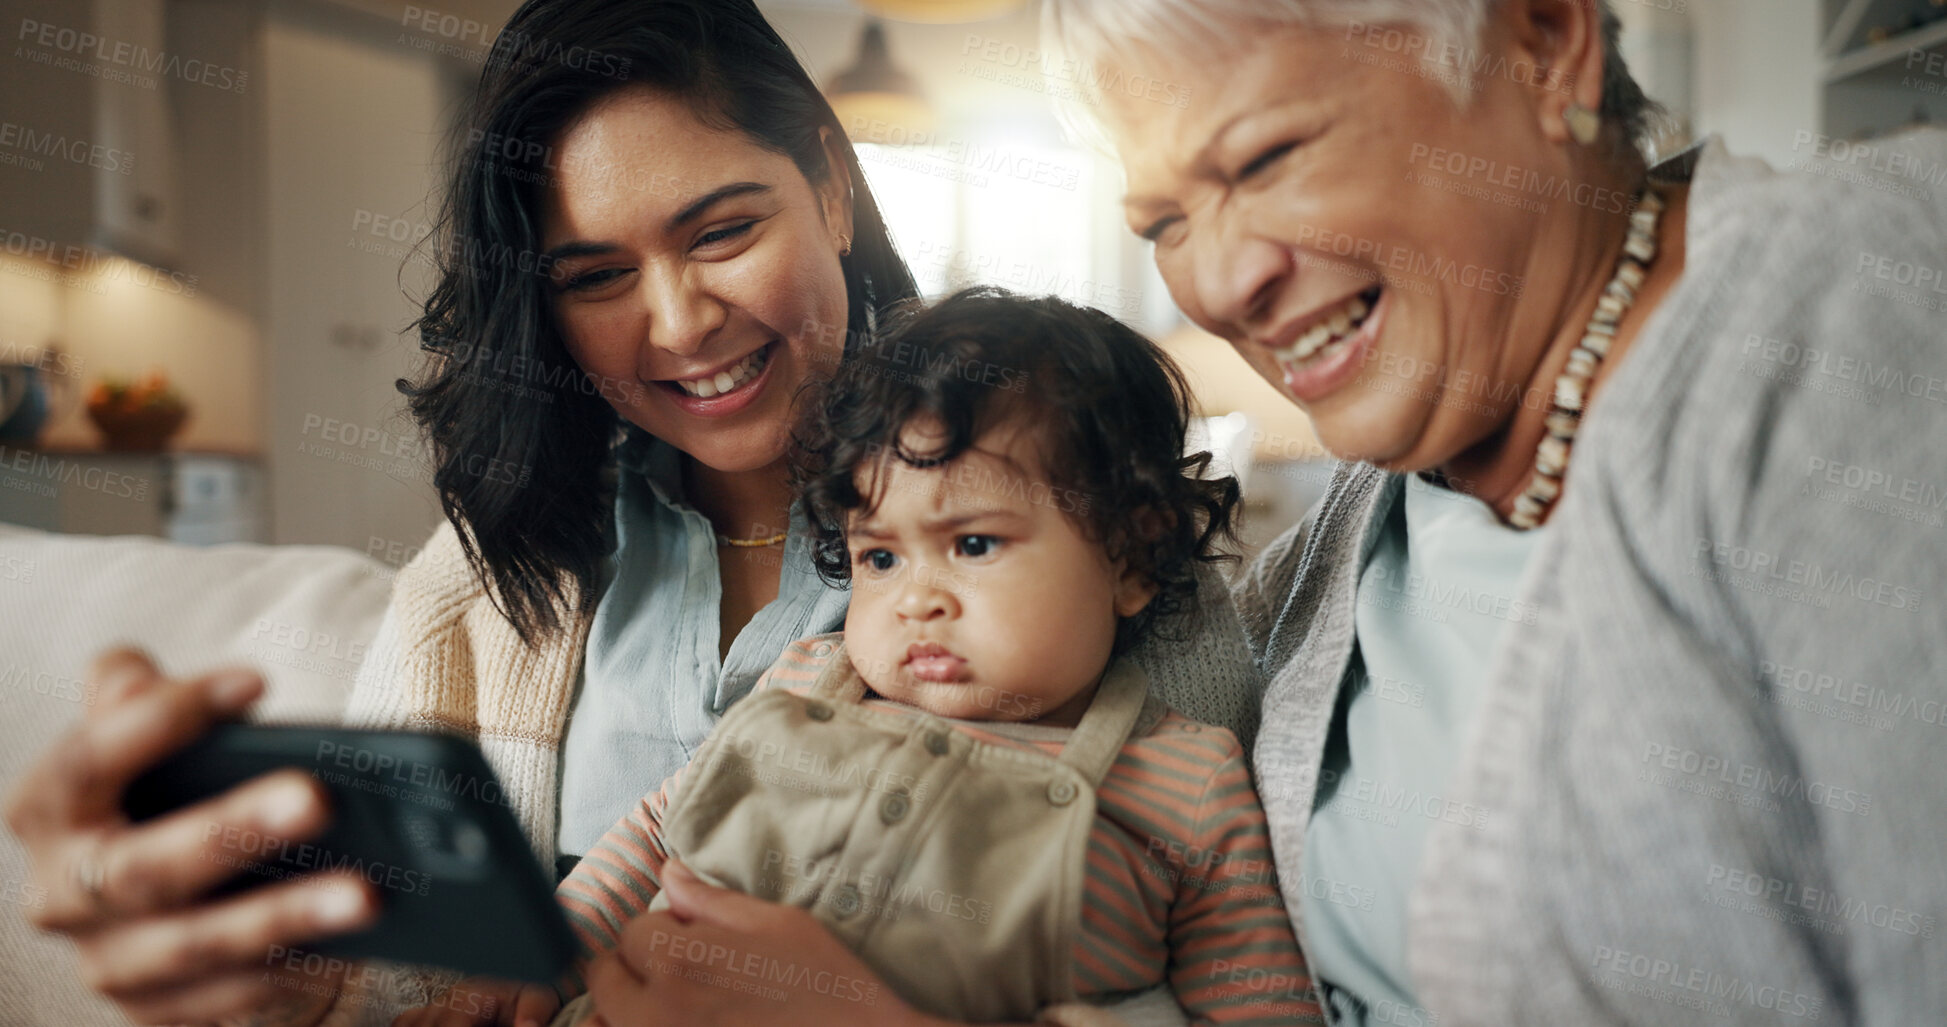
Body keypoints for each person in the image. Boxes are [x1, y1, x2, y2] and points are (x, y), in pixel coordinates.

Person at [2, 2, 1259, 1025]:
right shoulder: (489, 576)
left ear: (828, 183)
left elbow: (1204, 963)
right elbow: (398, 974)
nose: (678, 322)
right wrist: (249, 965)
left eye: (721, 230)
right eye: (596, 276)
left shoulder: (1084, 540)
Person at [1040, 0, 1947, 1023]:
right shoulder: (1376, 502)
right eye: (1164, 223)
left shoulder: (1853, 304)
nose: (1217, 283)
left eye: (1265, 159)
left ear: (1545, 48)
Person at [402, 288, 1318, 1027]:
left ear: (1128, 555)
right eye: (880, 556)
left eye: (974, 544)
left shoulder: (1184, 778)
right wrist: (540, 951)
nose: (916, 597)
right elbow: (655, 832)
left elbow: (1260, 1006)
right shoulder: (811, 684)